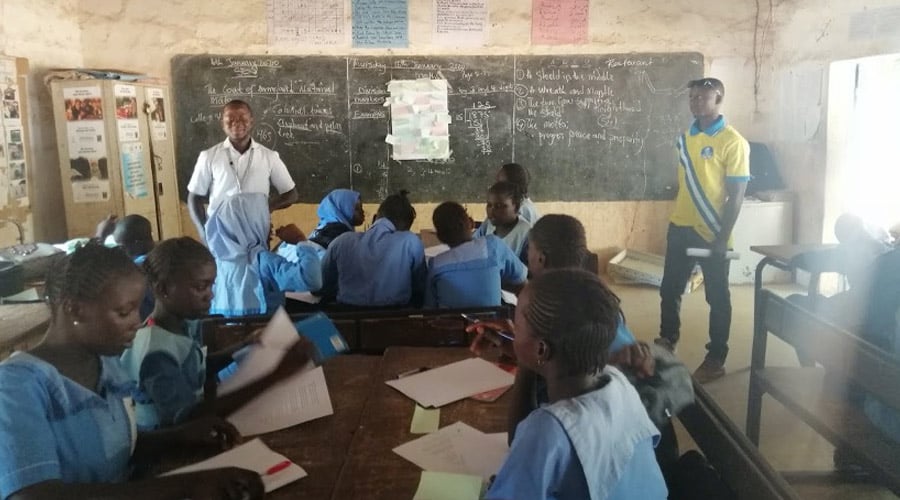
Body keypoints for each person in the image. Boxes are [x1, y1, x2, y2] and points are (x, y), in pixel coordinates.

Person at [0, 242, 264, 499]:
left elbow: (116, 450)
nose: (137, 322)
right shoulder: (16, 388)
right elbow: (32, 494)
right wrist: (184, 487)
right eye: (124, 312)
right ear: (75, 309)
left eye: (138, 309)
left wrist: (179, 436)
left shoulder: (103, 362)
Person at [476, 269, 667, 499]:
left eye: (517, 326)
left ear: (541, 349)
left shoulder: (547, 430)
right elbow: (518, 441)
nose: (513, 332)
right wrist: (526, 357)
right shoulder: (619, 383)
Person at [121, 237, 312, 431]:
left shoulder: (180, 326)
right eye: (200, 287)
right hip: (171, 443)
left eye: (211, 285)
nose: (210, 295)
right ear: (163, 289)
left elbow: (197, 367)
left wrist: (245, 344)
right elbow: (187, 419)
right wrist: (274, 377)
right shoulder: (156, 352)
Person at [655, 77, 750, 383]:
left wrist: (722, 238)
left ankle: (716, 357)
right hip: (680, 226)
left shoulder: (733, 142)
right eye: (692, 97)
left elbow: (737, 195)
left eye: (702, 97)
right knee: (670, 289)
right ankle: (667, 340)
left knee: (717, 297)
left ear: (718, 99)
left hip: (713, 232)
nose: (695, 102)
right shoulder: (685, 139)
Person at [186, 99, 298, 240]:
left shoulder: (269, 156)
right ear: (222, 123)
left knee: (259, 256)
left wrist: (265, 209)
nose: (236, 122)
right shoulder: (209, 156)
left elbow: (291, 194)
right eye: (230, 118)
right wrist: (204, 232)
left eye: (242, 118)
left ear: (251, 121)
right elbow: (194, 197)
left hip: (257, 232)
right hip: (220, 233)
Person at [206, 193, 321, 317]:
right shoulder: (263, 261)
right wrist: (301, 240)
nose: (271, 226)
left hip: (222, 328)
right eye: (265, 219)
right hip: (265, 328)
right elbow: (312, 280)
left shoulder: (215, 263)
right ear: (252, 224)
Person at [321, 190, 426, 307]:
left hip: (348, 314)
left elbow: (321, 285)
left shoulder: (342, 241)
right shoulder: (410, 241)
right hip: (396, 315)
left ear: (375, 218)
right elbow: (420, 287)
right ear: (405, 228)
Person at [425, 201, 527, 308]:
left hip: (454, 319)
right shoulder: (493, 245)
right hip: (492, 318)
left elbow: (430, 308)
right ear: (471, 222)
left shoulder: (435, 264)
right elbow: (522, 283)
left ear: (440, 237)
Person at [276, 189, 365, 262]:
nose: (362, 212)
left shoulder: (320, 229)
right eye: (357, 209)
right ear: (343, 209)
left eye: (361, 207)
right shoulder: (338, 233)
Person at [473, 181, 532, 259]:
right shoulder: (488, 224)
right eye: (489, 205)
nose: (492, 210)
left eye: (499, 206)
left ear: (516, 207)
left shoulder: (525, 234)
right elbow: (472, 244)